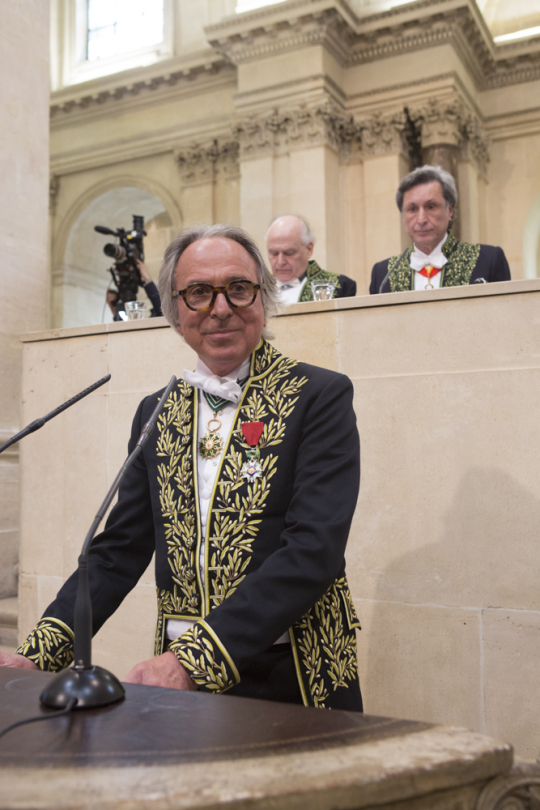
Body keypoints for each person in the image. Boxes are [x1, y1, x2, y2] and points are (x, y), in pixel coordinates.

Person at [2, 225, 362, 711]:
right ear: (174, 312)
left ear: (263, 298)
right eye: (198, 293)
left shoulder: (319, 395)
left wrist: (192, 660)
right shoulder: (156, 411)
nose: (220, 309)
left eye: (238, 288)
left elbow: (313, 550)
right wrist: (38, 653)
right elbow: (116, 553)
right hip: (178, 684)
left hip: (292, 674)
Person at [369, 165, 511, 295]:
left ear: (449, 210)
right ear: (403, 215)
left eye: (431, 207)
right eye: (412, 209)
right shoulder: (383, 274)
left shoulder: (488, 260)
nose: (421, 219)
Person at [266, 215, 357, 304]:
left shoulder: (338, 285)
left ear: (309, 249)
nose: (280, 262)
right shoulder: (258, 289)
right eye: (274, 253)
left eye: (289, 253)